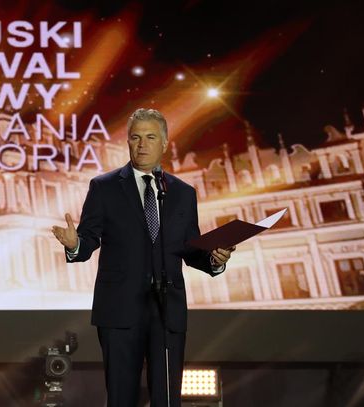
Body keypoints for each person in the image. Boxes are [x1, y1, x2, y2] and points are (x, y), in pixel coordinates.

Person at [52, 108, 234, 407]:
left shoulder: (183, 193)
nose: (142, 145)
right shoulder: (104, 187)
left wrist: (215, 260)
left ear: (164, 143)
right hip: (120, 310)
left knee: (167, 398)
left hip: (167, 310)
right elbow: (87, 241)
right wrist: (75, 244)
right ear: (128, 142)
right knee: (121, 397)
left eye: (150, 137)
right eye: (135, 137)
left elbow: (190, 249)